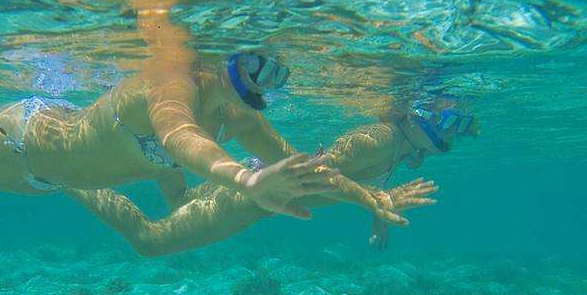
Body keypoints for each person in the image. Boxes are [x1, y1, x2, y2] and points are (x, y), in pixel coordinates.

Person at [67, 98, 478, 256]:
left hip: (257, 181)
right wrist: (371, 200)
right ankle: (67, 177)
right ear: (416, 116)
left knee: (180, 202)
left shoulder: (394, 148)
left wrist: (377, 209)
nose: (453, 131)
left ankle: (161, 153)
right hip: (257, 197)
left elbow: (354, 181)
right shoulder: (381, 138)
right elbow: (318, 172)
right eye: (449, 119)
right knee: (149, 241)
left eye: (460, 124)